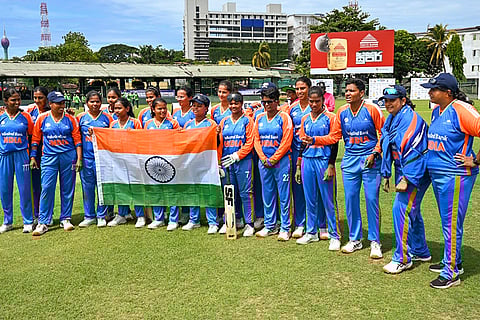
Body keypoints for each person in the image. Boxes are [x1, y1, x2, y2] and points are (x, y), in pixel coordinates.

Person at [312, 78, 385, 258]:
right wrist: (314, 140)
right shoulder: (342, 112)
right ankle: (355, 239)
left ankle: (375, 241)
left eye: (352, 91)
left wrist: (375, 152)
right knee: (351, 200)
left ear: (361, 93)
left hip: (370, 161)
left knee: (371, 199)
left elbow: (384, 134)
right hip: (350, 161)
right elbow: (334, 136)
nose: (347, 94)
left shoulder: (372, 109)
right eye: (346, 90)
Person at [421, 73, 480, 289]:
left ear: (447, 92)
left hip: (456, 176)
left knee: (451, 224)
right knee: (447, 222)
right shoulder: (437, 110)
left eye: (434, 89)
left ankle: (452, 272)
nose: (430, 92)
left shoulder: (462, 109)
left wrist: (474, 160)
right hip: (439, 174)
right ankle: (453, 261)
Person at [379, 85, 431, 274]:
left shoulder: (410, 120)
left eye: (392, 100)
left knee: (401, 208)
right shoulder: (392, 119)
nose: (388, 103)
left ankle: (402, 258)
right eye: (386, 100)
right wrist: (387, 174)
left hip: (416, 172)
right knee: (412, 210)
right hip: (404, 170)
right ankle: (421, 250)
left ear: (403, 100)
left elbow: (415, 152)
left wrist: (407, 179)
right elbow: (387, 146)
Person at [294, 86, 341, 249]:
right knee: (310, 198)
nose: (314, 104)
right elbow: (302, 142)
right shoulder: (305, 118)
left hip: (323, 160)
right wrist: (299, 165)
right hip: (308, 160)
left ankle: (335, 235)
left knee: (328, 199)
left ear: (323, 100)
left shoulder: (331, 117)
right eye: (311, 101)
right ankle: (311, 232)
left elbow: (334, 141)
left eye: (317, 101)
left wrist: (331, 164)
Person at [31, 91, 82, 236]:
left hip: (68, 156)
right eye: (58, 103)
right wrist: (33, 157)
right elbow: (35, 139)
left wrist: (79, 158)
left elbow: (77, 140)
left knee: (68, 188)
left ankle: (65, 219)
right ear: (50, 104)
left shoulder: (71, 119)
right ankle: (43, 222)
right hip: (49, 157)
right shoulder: (42, 119)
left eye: (63, 103)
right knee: (47, 188)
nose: (62, 106)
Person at [254, 85, 293, 241]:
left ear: (277, 101)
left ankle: (285, 227)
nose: (267, 105)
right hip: (264, 162)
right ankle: (270, 226)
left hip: (281, 161)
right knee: (267, 195)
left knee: (283, 196)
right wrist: (263, 157)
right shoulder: (259, 118)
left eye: (269, 102)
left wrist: (275, 158)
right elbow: (256, 139)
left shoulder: (284, 117)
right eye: (264, 102)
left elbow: (286, 140)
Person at [218, 92, 256, 237]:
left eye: (236, 103)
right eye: (231, 103)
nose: (234, 106)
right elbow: (220, 143)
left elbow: (250, 142)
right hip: (227, 163)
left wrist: (237, 155)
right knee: (229, 193)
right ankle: (231, 221)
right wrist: (219, 162)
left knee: (246, 193)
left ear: (242, 104)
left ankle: (249, 223)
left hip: (243, 161)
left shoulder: (247, 121)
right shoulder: (224, 122)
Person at [182, 94, 219, 233]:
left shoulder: (211, 124)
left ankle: (212, 222)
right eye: (194, 105)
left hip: (206, 163)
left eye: (199, 106)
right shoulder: (188, 124)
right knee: (193, 191)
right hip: (192, 163)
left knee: (208, 191)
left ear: (206, 108)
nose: (195, 108)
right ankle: (194, 220)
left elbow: (217, 144)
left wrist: (216, 134)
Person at [77, 91, 114, 228]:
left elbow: (112, 138)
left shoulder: (107, 118)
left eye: (97, 101)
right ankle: (89, 216)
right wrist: (79, 158)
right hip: (87, 159)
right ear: (87, 103)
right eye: (92, 101)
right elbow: (77, 139)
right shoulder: (80, 117)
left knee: (102, 188)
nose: (95, 104)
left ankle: (101, 215)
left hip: (102, 159)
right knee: (87, 188)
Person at [0, 88, 34, 233]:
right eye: (13, 100)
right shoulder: (1, 117)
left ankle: (28, 221)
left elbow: (33, 138)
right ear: (6, 101)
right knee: (5, 189)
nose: (17, 102)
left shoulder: (25, 117)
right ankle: (8, 221)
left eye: (18, 99)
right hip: (5, 156)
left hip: (22, 155)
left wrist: (32, 155)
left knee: (25, 188)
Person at [144, 98, 180, 229]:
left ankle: (173, 219)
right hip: (153, 162)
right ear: (153, 110)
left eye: (164, 108)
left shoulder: (173, 123)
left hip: (170, 162)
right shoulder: (148, 124)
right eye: (159, 108)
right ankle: (158, 218)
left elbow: (179, 141)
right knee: (156, 190)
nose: (163, 111)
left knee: (172, 191)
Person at [107, 98, 143, 227]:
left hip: (133, 161)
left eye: (119, 108)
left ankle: (140, 216)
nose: (116, 111)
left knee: (136, 187)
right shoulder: (113, 124)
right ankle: (121, 214)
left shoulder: (135, 123)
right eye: (115, 108)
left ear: (127, 109)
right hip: (118, 162)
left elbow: (141, 141)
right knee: (120, 187)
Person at [288, 77, 312, 239]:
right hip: (296, 152)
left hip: (314, 154)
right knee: (297, 189)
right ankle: (300, 223)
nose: (299, 92)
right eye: (297, 89)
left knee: (312, 190)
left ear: (309, 88)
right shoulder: (292, 108)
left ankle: (316, 222)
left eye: (302, 88)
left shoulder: (315, 105)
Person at [169, 87, 195, 228]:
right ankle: (183, 212)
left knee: (190, 183)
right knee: (179, 183)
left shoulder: (194, 111)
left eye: (182, 96)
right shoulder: (175, 113)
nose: (179, 99)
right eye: (177, 97)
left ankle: (190, 214)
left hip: (192, 153)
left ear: (189, 98)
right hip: (179, 153)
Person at [26, 86, 50, 222]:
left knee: (47, 185)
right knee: (35, 185)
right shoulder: (30, 111)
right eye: (35, 97)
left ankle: (48, 214)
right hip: (33, 152)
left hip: (47, 151)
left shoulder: (50, 111)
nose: (37, 100)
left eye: (40, 97)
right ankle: (36, 214)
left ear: (46, 98)